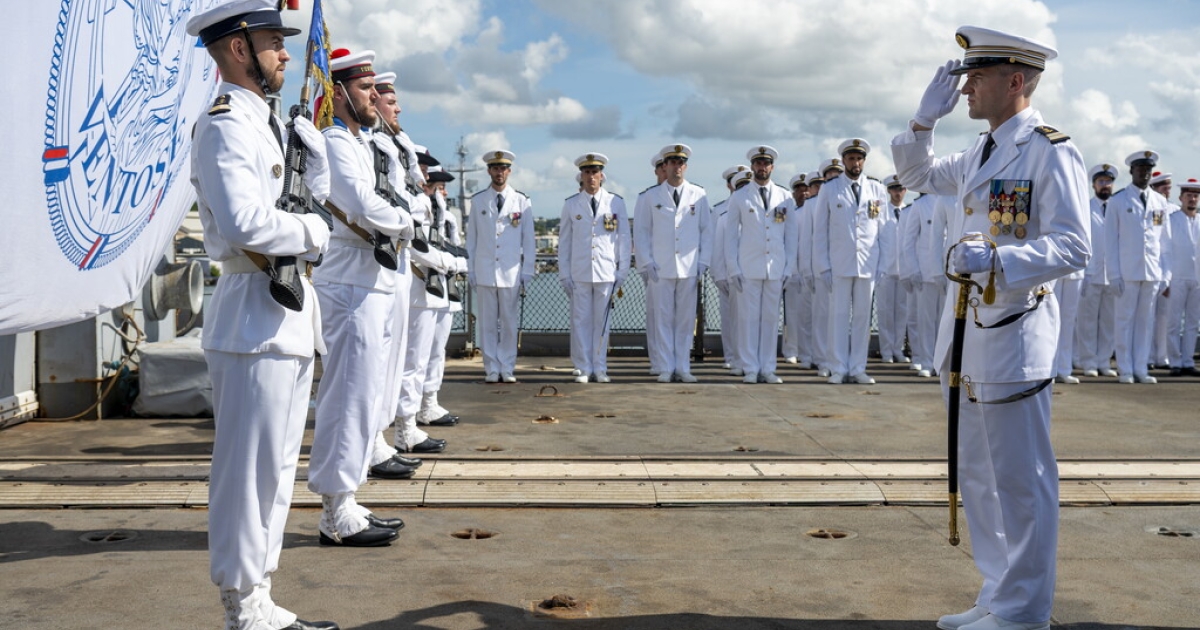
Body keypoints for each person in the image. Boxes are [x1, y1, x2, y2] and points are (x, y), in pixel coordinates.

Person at [891, 25, 1090, 630]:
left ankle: (1027, 610)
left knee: (1021, 480)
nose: (965, 87)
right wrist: (922, 123)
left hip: (1015, 332)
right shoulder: (978, 151)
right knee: (976, 473)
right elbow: (917, 176)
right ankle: (999, 592)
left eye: (976, 76)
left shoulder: (1051, 150)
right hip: (966, 337)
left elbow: (1075, 245)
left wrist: (1000, 260)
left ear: (1015, 81)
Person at [185, 1, 338, 627]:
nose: (284, 52)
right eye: (274, 41)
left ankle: (261, 598)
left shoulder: (269, 123)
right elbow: (247, 222)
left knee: (275, 472)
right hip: (252, 315)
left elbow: (313, 202)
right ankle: (241, 605)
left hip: (287, 315)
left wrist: (316, 158)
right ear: (240, 49)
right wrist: (311, 229)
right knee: (246, 477)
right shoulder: (226, 124)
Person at [308, 48, 411, 547]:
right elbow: (364, 206)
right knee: (347, 396)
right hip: (348, 282)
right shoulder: (335, 141)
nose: (375, 96)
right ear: (341, 92)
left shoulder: (356, 141)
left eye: (375, 88)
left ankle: (346, 498)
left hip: (367, 279)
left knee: (363, 393)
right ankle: (335, 512)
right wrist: (407, 222)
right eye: (366, 88)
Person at [813, 138, 892, 385]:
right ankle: (838, 367)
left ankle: (858, 367)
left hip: (868, 263)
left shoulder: (877, 190)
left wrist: (884, 265)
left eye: (859, 159)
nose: (855, 163)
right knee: (838, 316)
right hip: (839, 263)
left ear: (864, 161)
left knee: (862, 318)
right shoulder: (830, 188)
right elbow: (821, 231)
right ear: (844, 160)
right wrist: (823, 265)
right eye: (851, 158)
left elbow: (885, 231)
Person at [634, 144, 713, 383]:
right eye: (672, 163)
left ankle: (683, 367)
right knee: (663, 320)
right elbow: (642, 231)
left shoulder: (698, 194)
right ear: (665, 166)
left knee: (686, 321)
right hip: (661, 267)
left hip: (688, 267)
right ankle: (666, 367)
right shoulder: (650, 196)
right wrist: (647, 261)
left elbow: (706, 231)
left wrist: (703, 261)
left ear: (685, 167)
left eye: (681, 163)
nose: (677, 167)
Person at [724, 145, 797, 384]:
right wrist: (733, 268)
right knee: (748, 320)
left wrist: (789, 268)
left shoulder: (784, 196)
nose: (761, 168)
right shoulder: (740, 196)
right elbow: (731, 236)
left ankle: (768, 367)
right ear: (752, 166)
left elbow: (791, 235)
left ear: (772, 167)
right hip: (749, 267)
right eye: (757, 163)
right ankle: (750, 367)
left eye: (765, 164)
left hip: (775, 268)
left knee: (769, 320)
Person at [558, 153, 632, 383]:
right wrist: (564, 274)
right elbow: (564, 242)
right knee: (580, 321)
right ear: (581, 175)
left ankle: (600, 367)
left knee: (602, 322)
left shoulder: (615, 202)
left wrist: (622, 271)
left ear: (602, 176)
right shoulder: (571, 204)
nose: (591, 177)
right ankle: (583, 367)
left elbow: (623, 238)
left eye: (595, 172)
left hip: (606, 271)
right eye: (587, 172)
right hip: (580, 272)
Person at [466, 150, 536, 383]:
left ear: (509, 171)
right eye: (495, 168)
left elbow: (529, 239)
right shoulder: (478, 201)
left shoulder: (521, 201)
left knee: (508, 322)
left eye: (504, 168)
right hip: (485, 271)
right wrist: (471, 270)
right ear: (489, 170)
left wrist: (528, 270)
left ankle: (507, 366)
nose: (500, 172)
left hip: (511, 272)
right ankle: (491, 368)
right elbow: (472, 239)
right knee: (486, 323)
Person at [1107, 150, 1173, 384]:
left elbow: (1165, 242)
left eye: (1148, 170)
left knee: (1146, 323)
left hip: (1152, 271)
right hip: (1127, 271)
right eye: (1140, 169)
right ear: (1132, 171)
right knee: (1124, 321)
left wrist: (1166, 273)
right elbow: (1111, 242)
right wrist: (1113, 274)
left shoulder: (1160, 201)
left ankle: (1141, 368)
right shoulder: (1118, 201)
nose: (1144, 173)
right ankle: (1125, 368)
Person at [1075, 164, 1120, 377]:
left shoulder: (1118, 207)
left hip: (1112, 274)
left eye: (1108, 182)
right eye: (1101, 181)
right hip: (1091, 273)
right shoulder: (1085, 207)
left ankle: (1104, 361)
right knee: (1088, 321)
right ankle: (1088, 362)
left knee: (1109, 321)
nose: (1105, 185)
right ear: (1094, 185)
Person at [710, 165, 750, 374]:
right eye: (738, 183)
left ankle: (747, 358)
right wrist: (718, 274)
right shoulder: (720, 211)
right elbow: (716, 246)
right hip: (729, 273)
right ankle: (732, 356)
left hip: (752, 273)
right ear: (730, 186)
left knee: (750, 319)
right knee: (730, 319)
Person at [1166, 178, 1200, 376]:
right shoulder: (1171, 220)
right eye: (1189, 196)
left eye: (1196, 196)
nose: (1193, 199)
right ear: (1181, 198)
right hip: (1176, 277)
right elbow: (1165, 249)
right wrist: (1166, 277)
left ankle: (1188, 361)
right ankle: (1175, 362)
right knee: (1173, 322)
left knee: (1193, 323)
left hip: (1197, 279)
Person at [781, 172, 814, 367]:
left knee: (810, 315)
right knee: (792, 315)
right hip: (793, 271)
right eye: (799, 190)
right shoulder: (789, 214)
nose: (803, 193)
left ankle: (807, 351)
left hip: (810, 270)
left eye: (806, 189)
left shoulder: (815, 211)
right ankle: (791, 350)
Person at [877, 174, 909, 364]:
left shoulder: (909, 212)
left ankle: (898, 349)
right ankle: (886, 351)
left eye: (902, 189)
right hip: (885, 270)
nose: (899, 193)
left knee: (902, 313)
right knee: (886, 314)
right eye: (895, 189)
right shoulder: (881, 212)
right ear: (889, 190)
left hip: (903, 270)